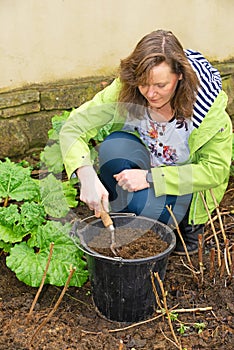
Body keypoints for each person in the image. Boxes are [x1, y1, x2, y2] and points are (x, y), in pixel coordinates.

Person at [59, 29, 232, 255]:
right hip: (145, 164)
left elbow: (215, 171)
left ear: (180, 75)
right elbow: (74, 126)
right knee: (113, 148)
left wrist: (151, 178)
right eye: (144, 84)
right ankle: (123, 213)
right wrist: (85, 173)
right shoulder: (128, 88)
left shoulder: (208, 110)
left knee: (143, 207)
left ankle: (184, 228)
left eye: (161, 85)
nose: (151, 94)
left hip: (180, 186)